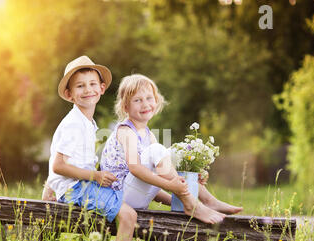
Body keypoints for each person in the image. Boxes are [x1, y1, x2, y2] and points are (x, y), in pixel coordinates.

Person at [100, 74, 243, 224]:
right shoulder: (126, 131)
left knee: (173, 157)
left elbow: (151, 182)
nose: (145, 104)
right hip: (118, 199)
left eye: (149, 98)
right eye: (137, 100)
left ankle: (203, 200)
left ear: (156, 100)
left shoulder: (148, 136)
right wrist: (173, 187)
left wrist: (187, 186)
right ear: (125, 107)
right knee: (158, 150)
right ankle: (194, 203)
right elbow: (135, 169)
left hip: (133, 197)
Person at [42, 56, 137, 241]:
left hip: (77, 186)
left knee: (129, 194)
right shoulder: (73, 124)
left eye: (93, 84)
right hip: (75, 189)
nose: (88, 90)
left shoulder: (87, 122)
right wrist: (95, 176)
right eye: (80, 86)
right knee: (129, 215)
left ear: (102, 88)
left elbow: (68, 162)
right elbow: (58, 165)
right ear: (69, 94)